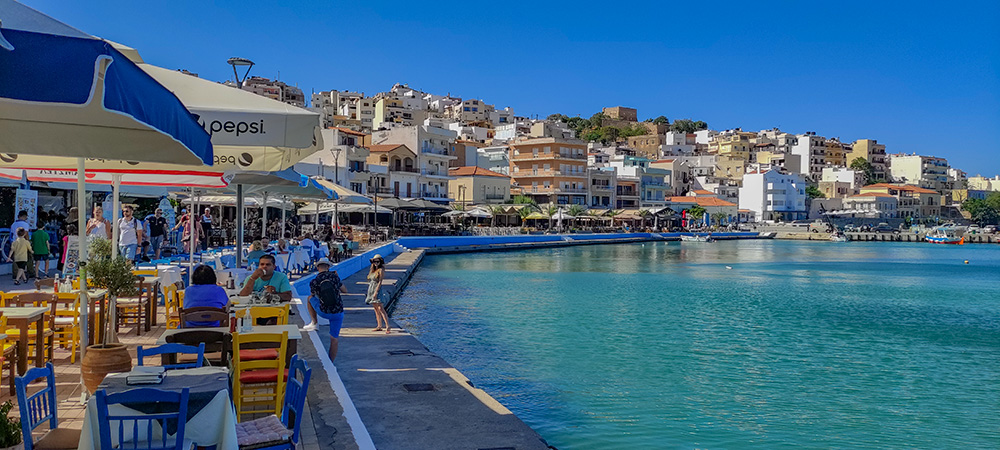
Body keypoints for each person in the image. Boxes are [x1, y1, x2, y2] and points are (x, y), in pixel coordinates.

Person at [304, 258, 348, 360]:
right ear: (328, 267)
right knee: (334, 339)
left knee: (309, 298)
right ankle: (331, 362)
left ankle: (314, 322)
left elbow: (313, 295)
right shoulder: (335, 278)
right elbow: (345, 290)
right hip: (338, 312)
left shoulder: (314, 281)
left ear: (318, 267)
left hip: (324, 312)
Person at [365, 254, 391, 334]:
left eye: (377, 261)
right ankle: (379, 325)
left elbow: (380, 281)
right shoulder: (373, 269)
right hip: (371, 288)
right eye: (374, 261)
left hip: (377, 289)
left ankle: (387, 326)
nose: (376, 263)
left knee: (380, 308)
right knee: (375, 308)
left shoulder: (381, 270)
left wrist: (376, 292)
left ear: (380, 262)